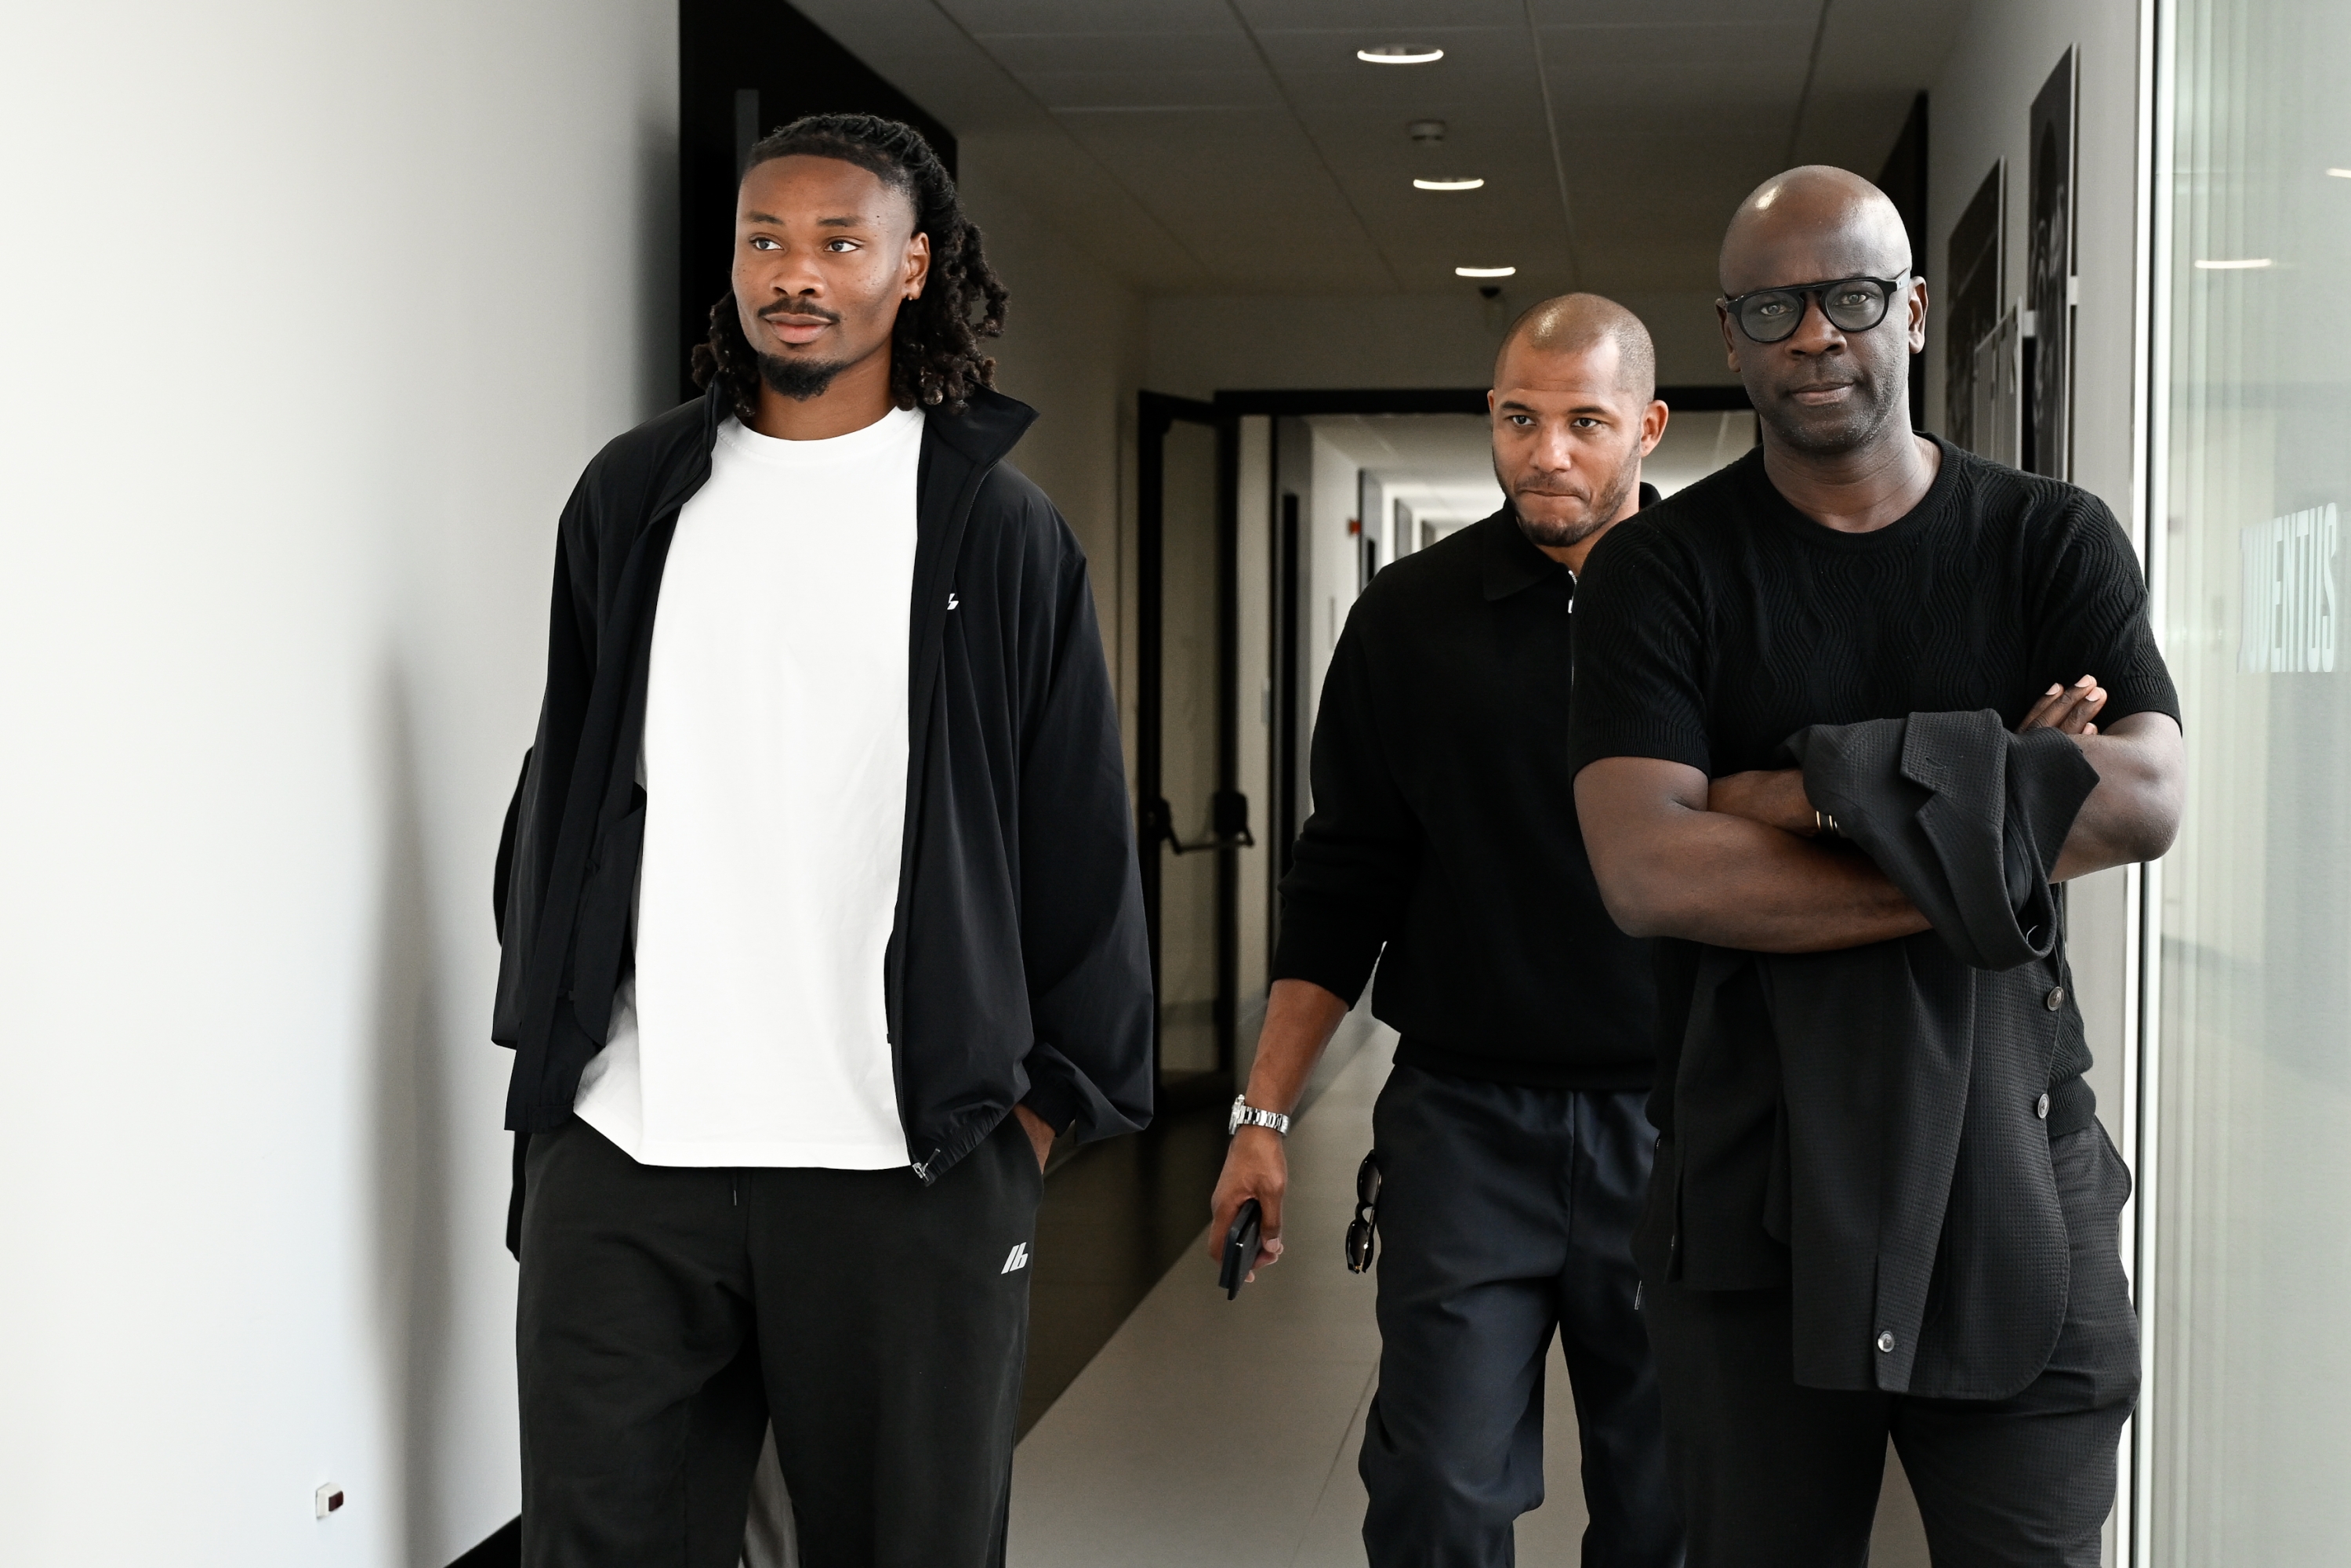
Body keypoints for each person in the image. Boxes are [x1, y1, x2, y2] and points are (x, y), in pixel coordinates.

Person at [488, 113, 1153, 1568]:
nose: (795, 273)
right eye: (764, 241)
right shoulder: (635, 494)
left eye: (840, 243)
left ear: (914, 269)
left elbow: (1073, 831)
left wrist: (1037, 1116)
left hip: (902, 1162)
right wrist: (552, 1076)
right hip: (634, 1144)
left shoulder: (990, 528)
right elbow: (564, 784)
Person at [1569, 166, 2184, 1568]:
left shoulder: (2048, 540)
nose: (1814, 337)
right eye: (1772, 308)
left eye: (1848, 298)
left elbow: (2145, 799)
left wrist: (1783, 794)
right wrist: (1992, 818)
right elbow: (1651, 871)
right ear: (1729, 334)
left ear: (1907, 310)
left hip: (2019, 1163)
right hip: (1752, 1176)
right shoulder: (1658, 575)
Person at [1207, 296, 1685, 1567]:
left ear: (1647, 424)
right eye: (1520, 419)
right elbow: (1344, 877)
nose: (1549, 454)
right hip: (1469, 1126)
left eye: (1585, 422)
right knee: (1439, 1498)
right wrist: (1262, 1120)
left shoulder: (1719, 598)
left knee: (1677, 1507)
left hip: (1684, 1122)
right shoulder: (1409, 619)